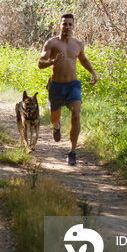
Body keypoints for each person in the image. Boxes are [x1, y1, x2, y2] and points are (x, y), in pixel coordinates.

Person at [38, 13, 97, 165]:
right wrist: (53, 61)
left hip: (72, 85)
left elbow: (83, 59)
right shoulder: (51, 43)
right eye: (65, 24)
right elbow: (40, 63)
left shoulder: (78, 44)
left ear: (73, 26)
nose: (67, 27)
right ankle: (56, 126)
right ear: (60, 25)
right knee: (54, 118)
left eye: (70, 24)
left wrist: (92, 73)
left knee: (76, 115)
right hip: (56, 86)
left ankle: (72, 151)